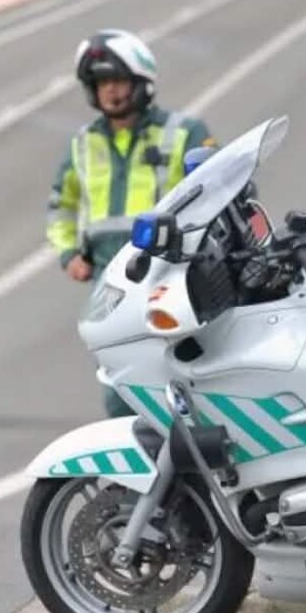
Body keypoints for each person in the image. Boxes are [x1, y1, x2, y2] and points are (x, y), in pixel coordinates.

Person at [46, 29, 216, 418]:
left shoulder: (185, 132)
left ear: (142, 82)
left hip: (171, 274)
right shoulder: (82, 144)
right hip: (109, 281)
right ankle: (140, 476)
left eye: (119, 81)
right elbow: (60, 205)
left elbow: (219, 188)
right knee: (119, 387)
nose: (112, 92)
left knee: (184, 380)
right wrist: (68, 252)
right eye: (102, 83)